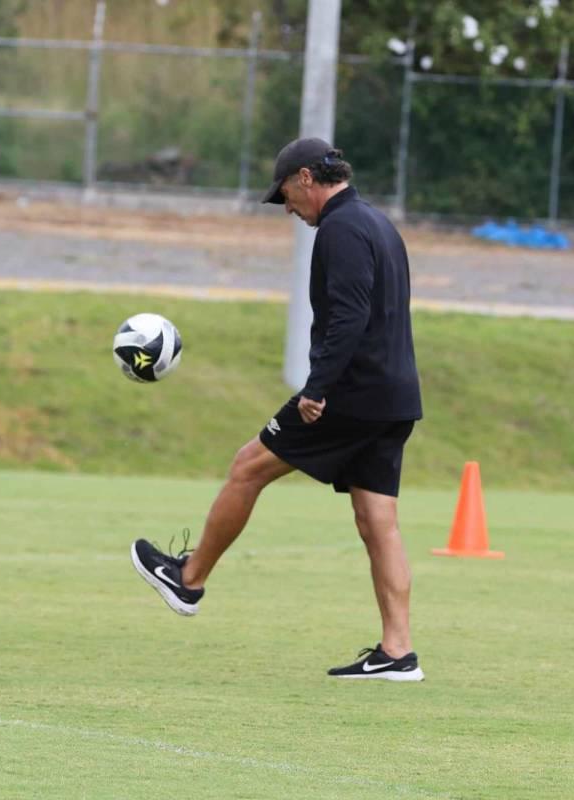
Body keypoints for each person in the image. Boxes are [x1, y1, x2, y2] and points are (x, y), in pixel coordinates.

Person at [131, 137, 424, 682]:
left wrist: (317, 388)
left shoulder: (340, 228)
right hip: (395, 396)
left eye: (286, 193)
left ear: (307, 178)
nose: (287, 207)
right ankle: (398, 652)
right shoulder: (379, 224)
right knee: (377, 521)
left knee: (248, 466)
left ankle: (188, 580)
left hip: (350, 394)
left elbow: (351, 316)